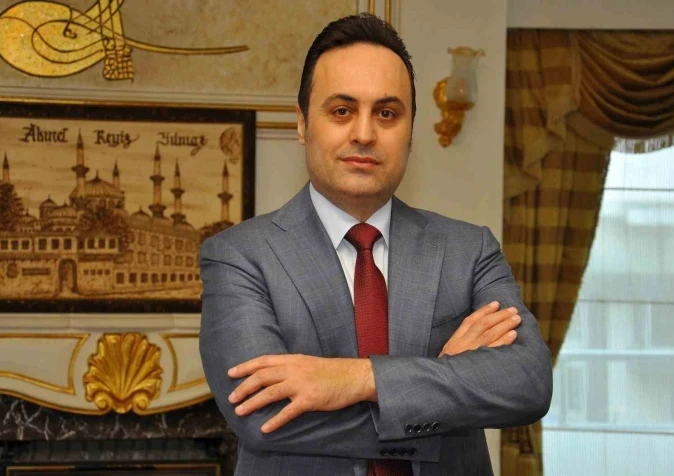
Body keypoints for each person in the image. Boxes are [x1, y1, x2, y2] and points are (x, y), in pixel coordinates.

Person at [199, 13, 552, 476]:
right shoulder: (239, 256)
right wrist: (443, 382)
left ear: (410, 131)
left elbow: (527, 382)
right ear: (302, 124)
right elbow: (264, 416)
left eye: (387, 113)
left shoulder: (469, 250)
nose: (364, 134)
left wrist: (356, 378)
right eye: (341, 111)